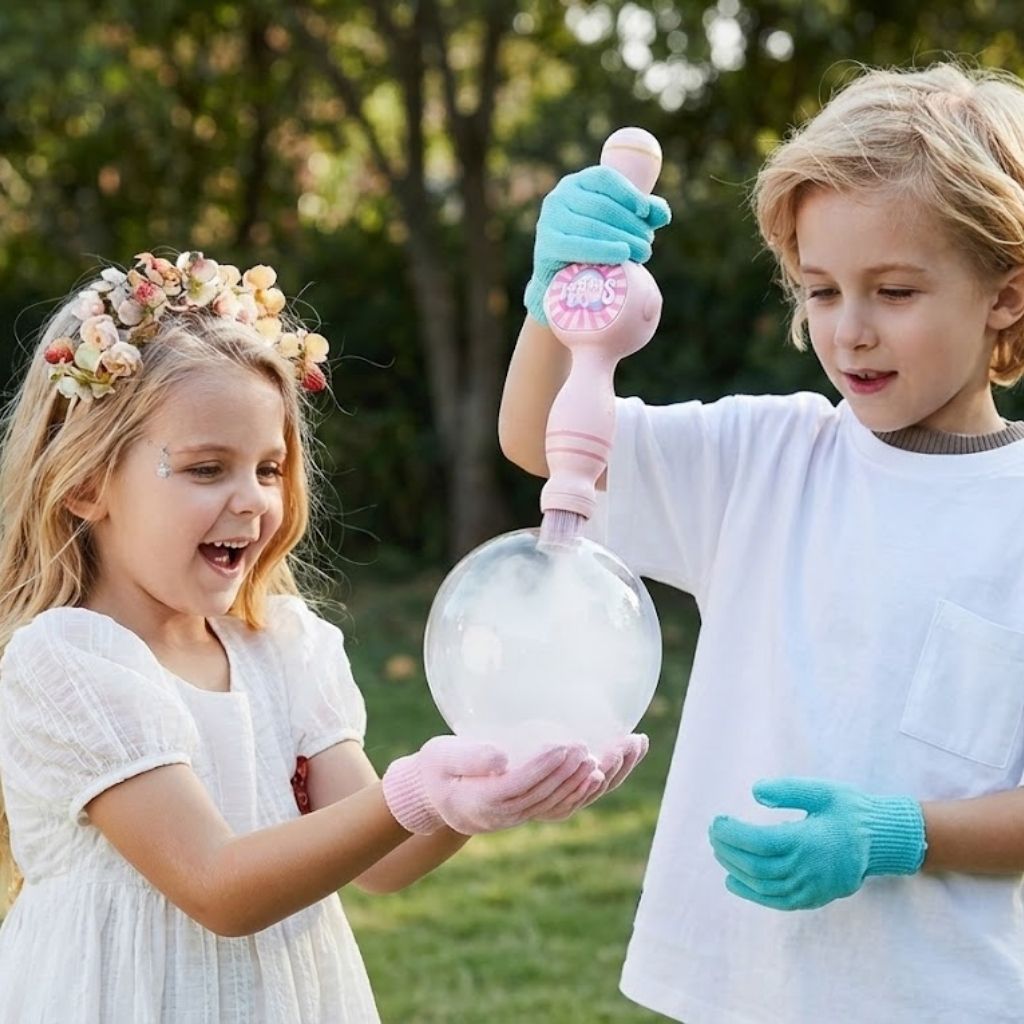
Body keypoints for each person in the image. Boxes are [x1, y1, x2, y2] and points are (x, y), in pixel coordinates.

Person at [499, 62, 1024, 1024]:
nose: (851, 332)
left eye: (895, 291)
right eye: (822, 292)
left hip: (952, 998)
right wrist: (556, 302)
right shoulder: (763, 457)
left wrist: (897, 835)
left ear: (1006, 295)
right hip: (742, 987)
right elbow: (542, 440)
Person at [0, 250, 647, 1023]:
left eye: (269, 469)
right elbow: (217, 886)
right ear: (85, 483)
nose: (251, 500)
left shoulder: (282, 648)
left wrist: (483, 789)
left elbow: (386, 856)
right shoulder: (67, 665)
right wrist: (420, 790)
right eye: (208, 468)